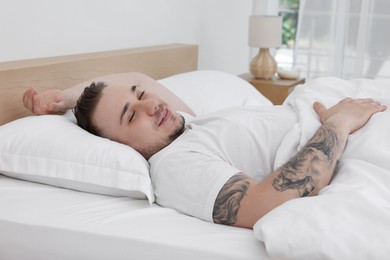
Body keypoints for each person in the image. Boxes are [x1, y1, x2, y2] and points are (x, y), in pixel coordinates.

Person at [23, 72, 386, 229]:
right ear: (119, 146)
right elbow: (267, 202)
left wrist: (67, 99)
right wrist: (337, 123)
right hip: (348, 132)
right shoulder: (174, 166)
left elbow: (141, 77)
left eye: (139, 95)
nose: (151, 104)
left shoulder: (187, 125)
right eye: (131, 116)